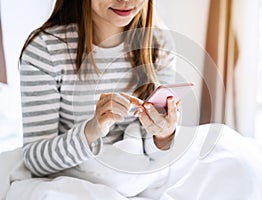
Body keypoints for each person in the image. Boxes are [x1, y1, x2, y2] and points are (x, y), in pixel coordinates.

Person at [19, 0, 179, 197]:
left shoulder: (159, 43)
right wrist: (91, 131)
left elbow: (156, 156)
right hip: (75, 182)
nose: (126, 1)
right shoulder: (46, 49)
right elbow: (35, 160)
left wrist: (164, 134)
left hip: (139, 177)